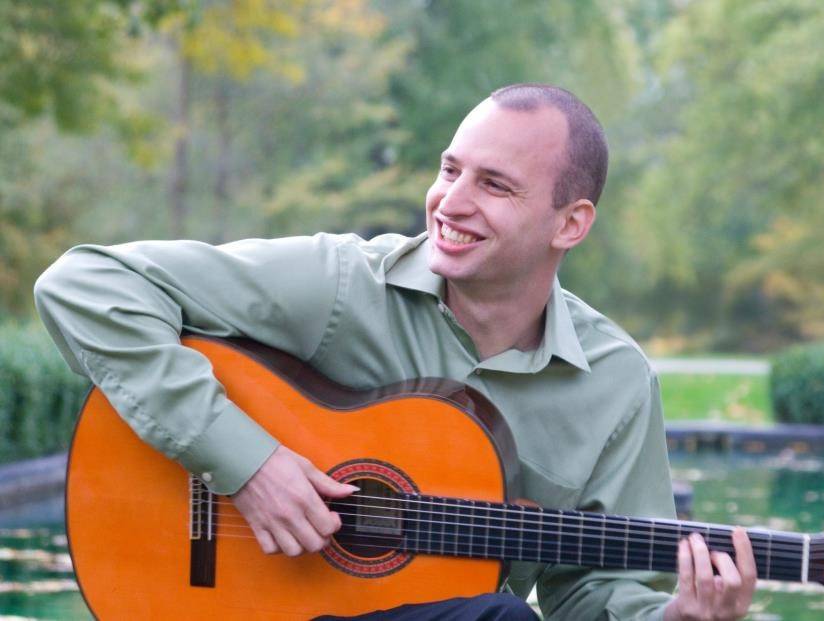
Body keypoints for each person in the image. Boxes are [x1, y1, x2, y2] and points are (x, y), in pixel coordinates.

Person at [35, 83, 756, 620]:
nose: (450, 201)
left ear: (569, 223)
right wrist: (247, 462)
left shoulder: (616, 381)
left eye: (493, 184)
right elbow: (85, 284)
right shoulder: (344, 285)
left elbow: (590, 591)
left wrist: (675, 617)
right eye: (449, 170)